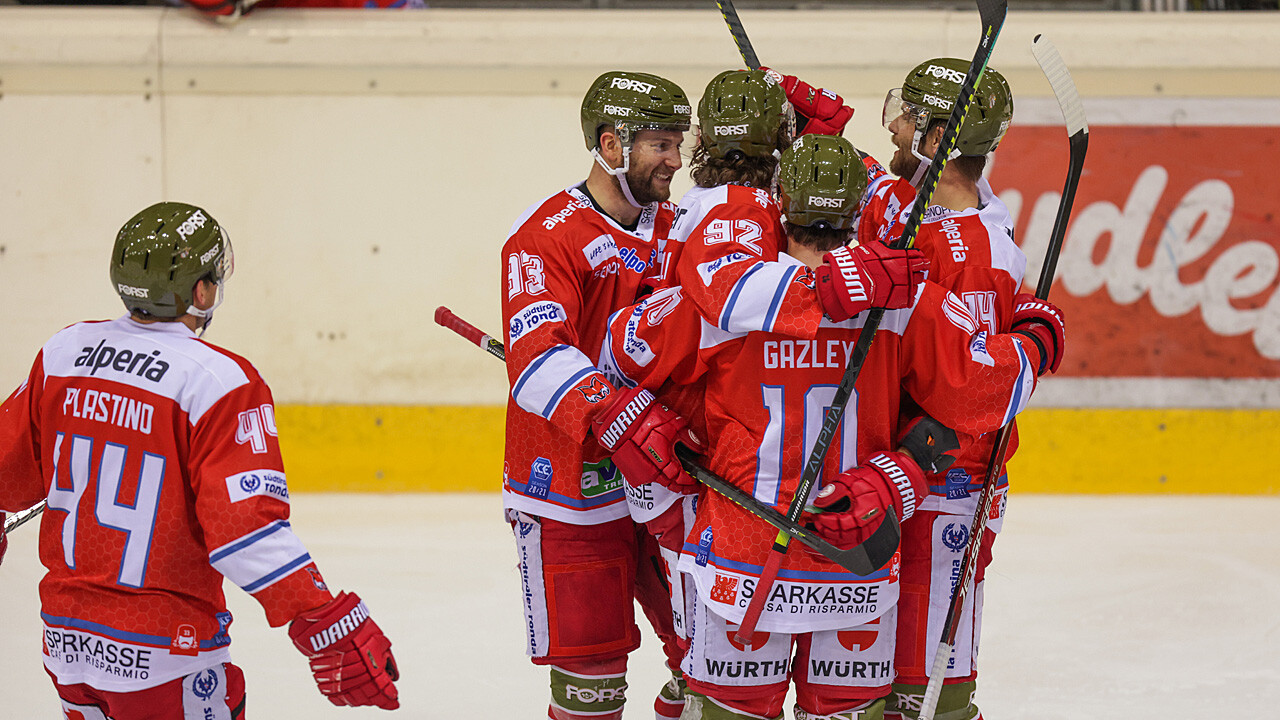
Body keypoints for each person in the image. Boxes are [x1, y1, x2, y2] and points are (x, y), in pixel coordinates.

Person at [598, 132, 1065, 720]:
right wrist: (1036, 337)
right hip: (854, 567)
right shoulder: (903, 297)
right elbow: (985, 394)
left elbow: (621, 353)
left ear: (779, 205)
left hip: (742, 563)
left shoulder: (725, 299)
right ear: (859, 214)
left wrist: (646, 420)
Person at [0, 202, 400, 718]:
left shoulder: (64, 352)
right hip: (168, 656)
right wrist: (321, 618)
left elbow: (10, 472)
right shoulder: (217, 380)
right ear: (201, 292)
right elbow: (245, 530)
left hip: (68, 649)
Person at [500, 70, 702, 720]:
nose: (676, 160)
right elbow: (536, 360)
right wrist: (615, 415)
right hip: (572, 491)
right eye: (660, 146)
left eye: (679, 144)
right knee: (592, 682)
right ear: (611, 146)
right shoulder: (545, 236)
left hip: (673, 481)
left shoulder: (682, 226)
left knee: (714, 663)